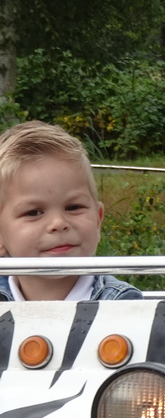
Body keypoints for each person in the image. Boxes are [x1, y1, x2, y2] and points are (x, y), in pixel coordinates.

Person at [0, 120, 141, 301]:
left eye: (73, 207)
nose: (58, 223)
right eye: (34, 212)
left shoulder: (120, 304)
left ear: (98, 220)